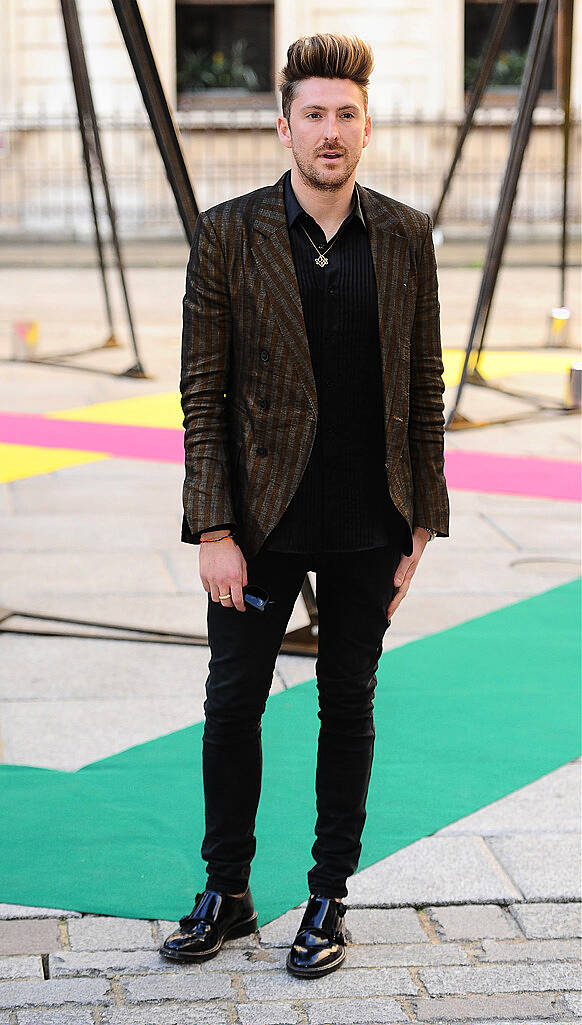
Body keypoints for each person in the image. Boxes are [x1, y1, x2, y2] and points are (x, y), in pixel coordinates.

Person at [160, 32, 449, 978]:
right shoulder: (229, 232)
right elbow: (202, 391)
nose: (331, 132)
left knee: (347, 702)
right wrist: (212, 525)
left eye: (346, 115)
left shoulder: (405, 234)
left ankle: (329, 894)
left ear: (368, 127)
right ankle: (227, 888)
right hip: (259, 523)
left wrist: (422, 521)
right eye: (314, 115)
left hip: (372, 518)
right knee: (233, 700)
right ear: (284, 125)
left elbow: (423, 381)